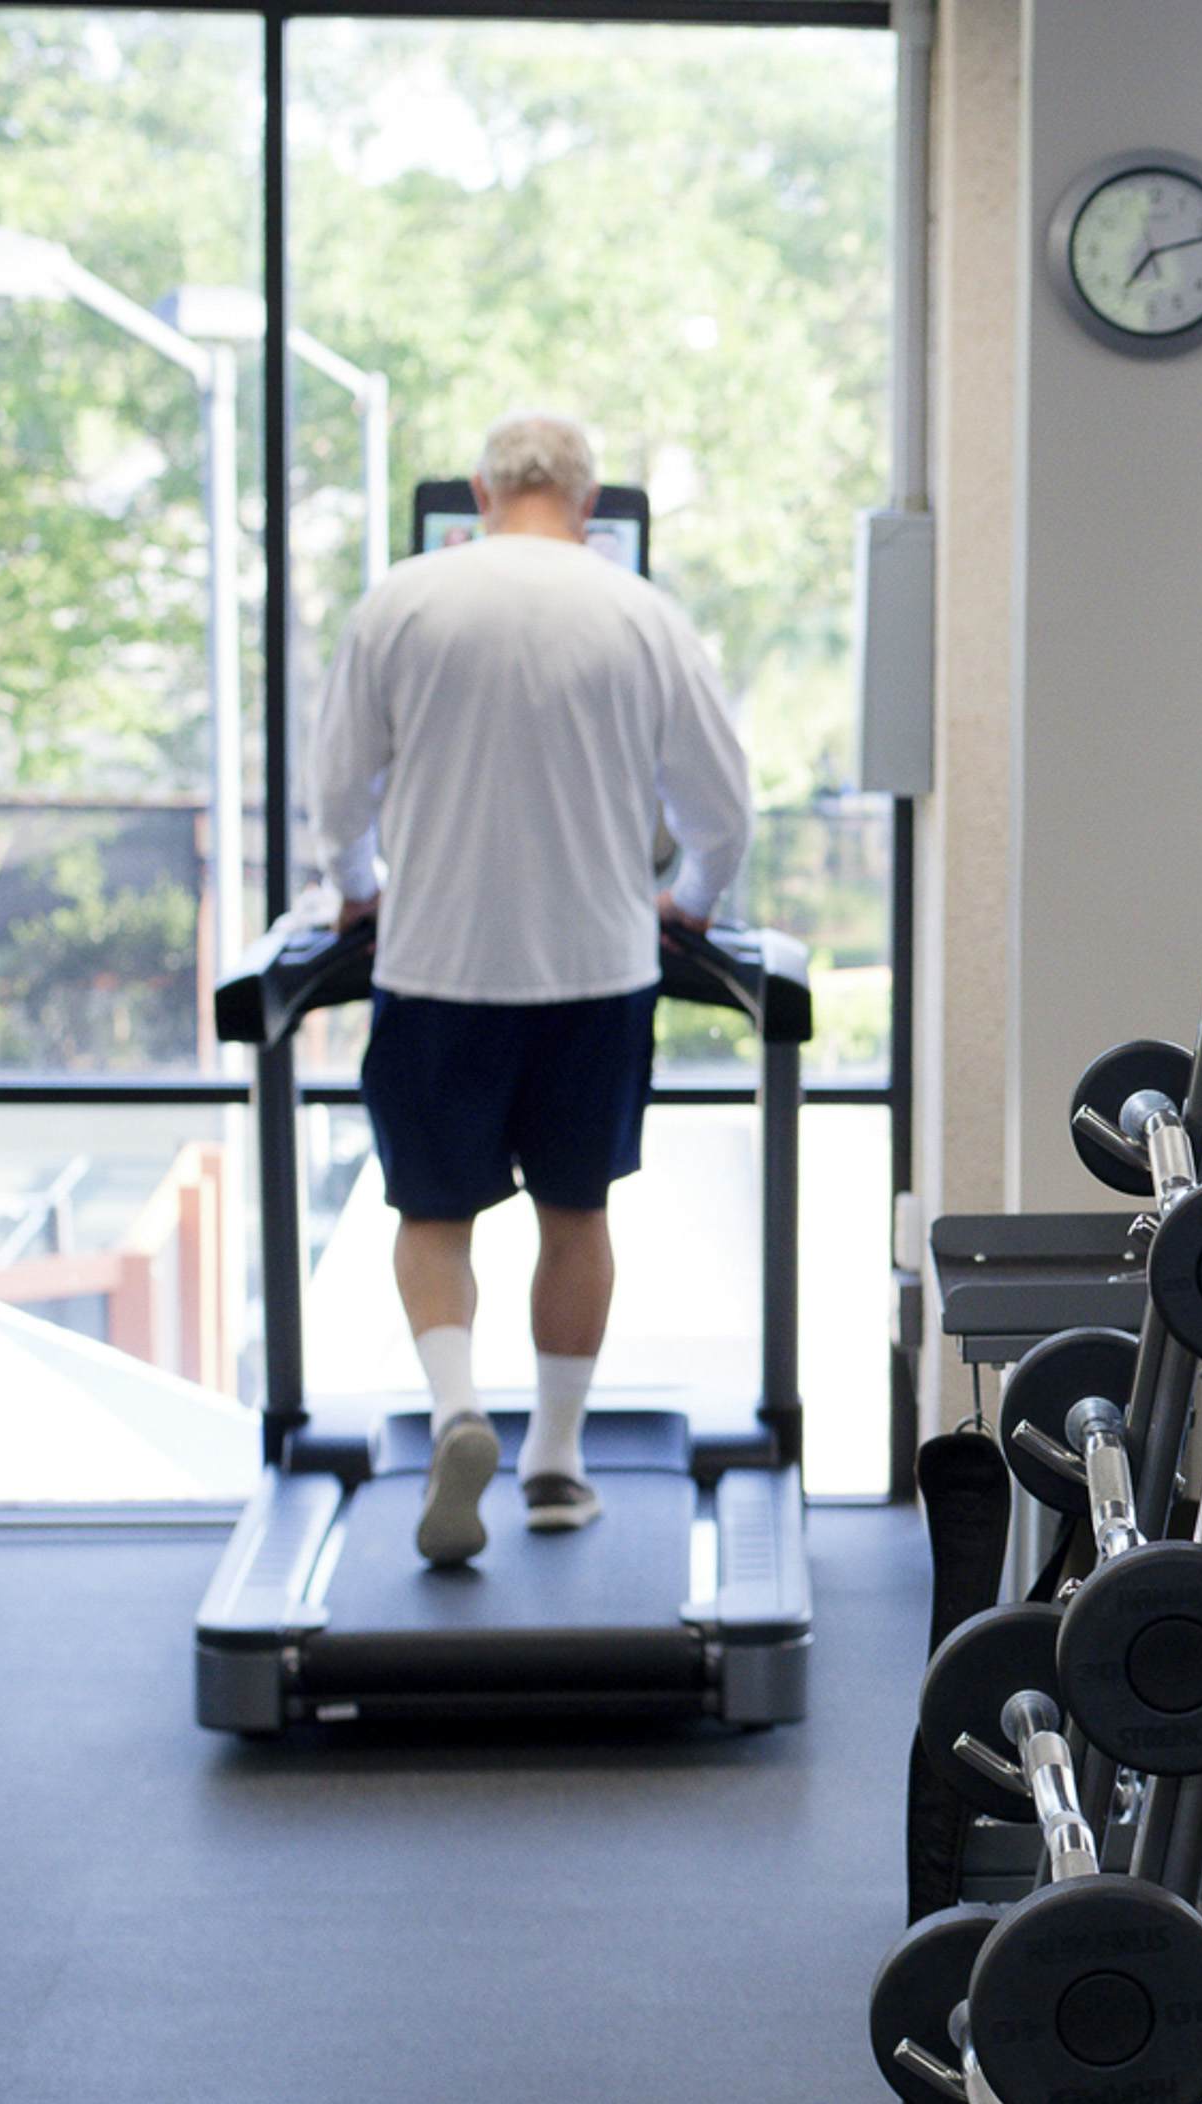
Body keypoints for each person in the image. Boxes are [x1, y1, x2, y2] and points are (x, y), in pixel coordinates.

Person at [304, 412, 751, 1566]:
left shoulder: (404, 601)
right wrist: (695, 900)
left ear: (479, 491)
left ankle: (459, 1411)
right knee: (575, 1214)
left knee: (433, 1215)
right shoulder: (642, 616)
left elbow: (339, 788)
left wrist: (357, 888)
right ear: (592, 504)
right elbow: (722, 808)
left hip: (439, 962)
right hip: (598, 967)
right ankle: (556, 1460)